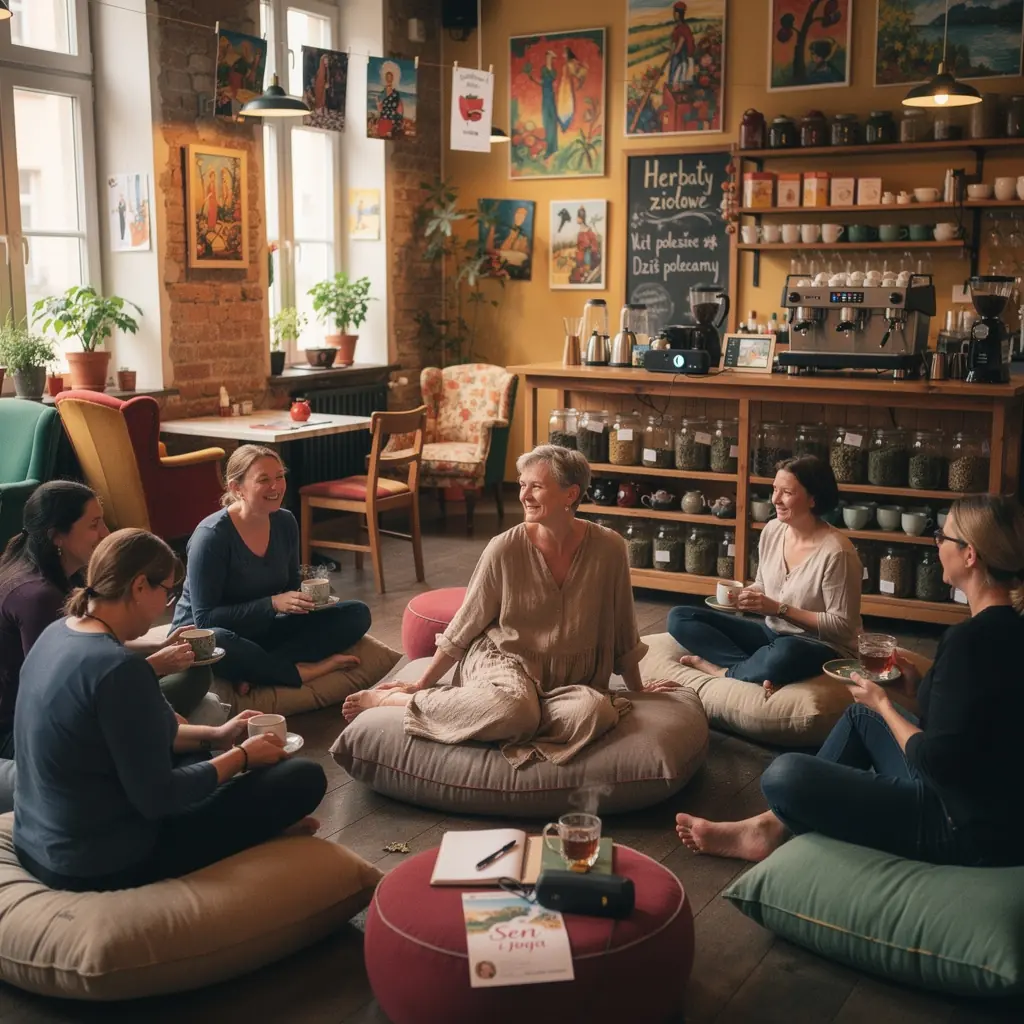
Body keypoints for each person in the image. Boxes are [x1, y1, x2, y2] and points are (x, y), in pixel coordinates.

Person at [677, 495, 1024, 868]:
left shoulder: (969, 641)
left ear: (970, 555)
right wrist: (915, 689)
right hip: (987, 805)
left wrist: (884, 705)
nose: (936, 543)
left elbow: (936, 762)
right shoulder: (1004, 629)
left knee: (784, 774)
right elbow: (976, 728)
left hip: (961, 825)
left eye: (943, 536)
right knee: (860, 718)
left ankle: (768, 827)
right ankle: (769, 828)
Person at [13, 528, 327, 892]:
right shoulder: (117, 669)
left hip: (37, 841)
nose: (167, 604)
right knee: (302, 776)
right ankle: (256, 834)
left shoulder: (58, 632)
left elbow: (137, 738)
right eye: (168, 592)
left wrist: (219, 736)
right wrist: (240, 757)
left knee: (199, 755)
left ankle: (251, 821)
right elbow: (158, 798)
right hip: (97, 862)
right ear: (140, 586)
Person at [342, 445, 677, 766]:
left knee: (597, 713)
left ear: (571, 494)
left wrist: (639, 690)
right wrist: (419, 684)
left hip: (571, 678)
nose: (524, 496)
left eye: (536, 487)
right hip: (503, 661)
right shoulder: (503, 548)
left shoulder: (610, 548)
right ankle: (401, 703)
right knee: (513, 709)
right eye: (522, 485)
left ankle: (522, 716)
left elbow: (622, 629)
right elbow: (465, 624)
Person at [0, 481, 207, 759]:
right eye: (94, 524)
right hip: (22, 732)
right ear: (56, 536)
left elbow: (91, 651)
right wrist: (151, 667)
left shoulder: (65, 575)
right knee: (183, 691)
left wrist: (157, 648)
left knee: (194, 675)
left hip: (71, 706)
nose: (105, 533)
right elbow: (61, 692)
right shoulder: (37, 597)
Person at [171, 445, 371, 693]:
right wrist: (273, 604)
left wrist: (307, 600)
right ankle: (298, 671)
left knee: (356, 613)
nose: (276, 486)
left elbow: (288, 588)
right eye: (264, 480)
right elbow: (204, 620)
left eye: (279, 476)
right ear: (236, 488)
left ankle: (257, 669)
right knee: (219, 639)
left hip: (261, 629)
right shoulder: (211, 537)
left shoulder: (285, 522)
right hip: (209, 638)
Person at [667, 456, 861, 694]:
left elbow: (842, 626)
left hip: (820, 646)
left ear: (813, 499)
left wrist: (779, 609)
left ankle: (724, 671)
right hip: (772, 634)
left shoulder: (837, 552)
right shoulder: (772, 530)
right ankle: (756, 669)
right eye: (774, 489)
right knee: (681, 617)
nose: (775, 499)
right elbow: (764, 584)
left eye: (787, 492)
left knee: (783, 655)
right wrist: (746, 595)